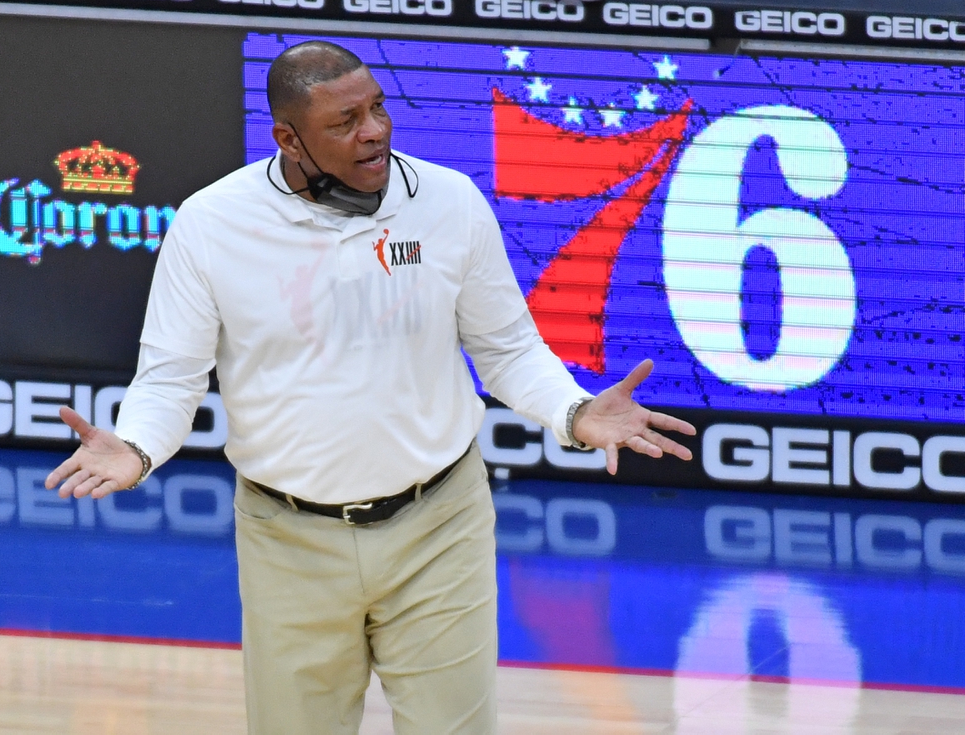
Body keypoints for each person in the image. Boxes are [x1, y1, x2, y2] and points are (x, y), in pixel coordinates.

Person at [45, 40, 696, 734]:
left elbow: (506, 348)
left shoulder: (448, 202)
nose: (375, 130)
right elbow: (171, 376)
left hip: (440, 525)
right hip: (286, 538)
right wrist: (138, 444)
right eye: (346, 120)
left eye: (378, 107)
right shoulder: (212, 224)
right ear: (288, 139)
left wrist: (573, 411)